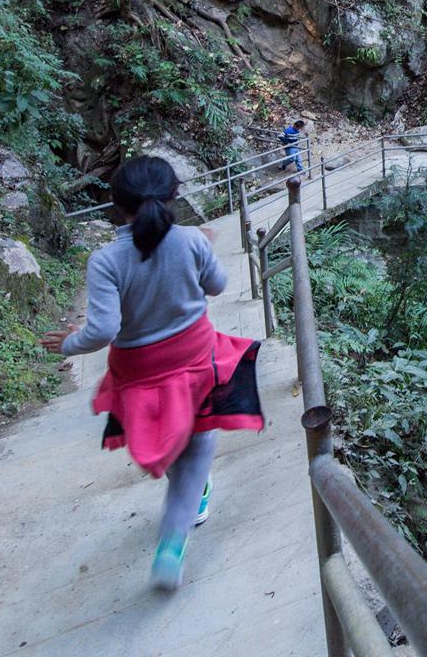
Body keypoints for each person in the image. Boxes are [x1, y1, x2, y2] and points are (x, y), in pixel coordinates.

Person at [41, 156, 264, 591]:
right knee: (200, 442)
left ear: (116, 204)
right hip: (196, 360)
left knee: (182, 445)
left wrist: (69, 342)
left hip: (139, 372)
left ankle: (191, 496)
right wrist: (202, 248)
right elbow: (216, 286)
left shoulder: (106, 260)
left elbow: (103, 329)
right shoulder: (190, 241)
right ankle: (171, 544)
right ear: (174, 195)